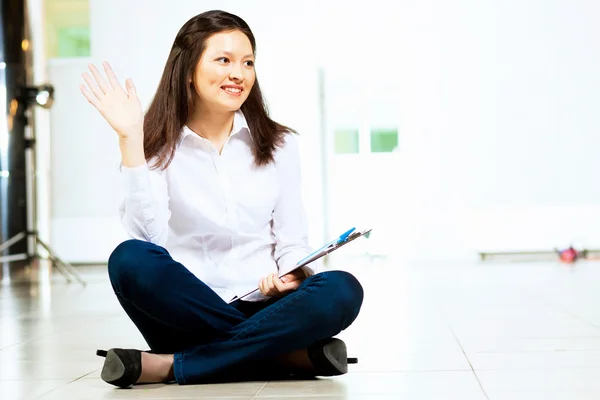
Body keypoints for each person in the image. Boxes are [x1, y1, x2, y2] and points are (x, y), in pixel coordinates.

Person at [80, 9, 364, 387]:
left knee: (342, 289)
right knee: (129, 260)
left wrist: (294, 273)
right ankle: (279, 356)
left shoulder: (279, 144)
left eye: (248, 62)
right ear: (188, 71)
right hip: (187, 313)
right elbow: (148, 237)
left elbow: (293, 241)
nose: (239, 73)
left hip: (268, 306)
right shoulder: (154, 144)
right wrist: (130, 139)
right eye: (224, 60)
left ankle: (173, 366)